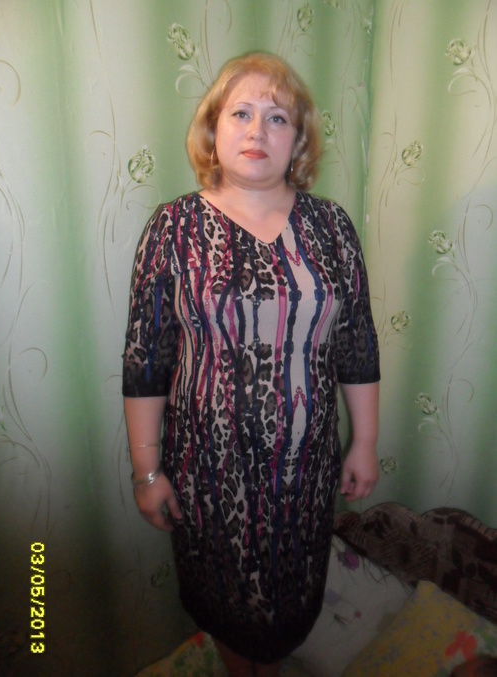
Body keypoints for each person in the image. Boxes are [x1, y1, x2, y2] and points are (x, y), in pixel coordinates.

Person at [122, 52, 380, 677]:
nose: (258, 130)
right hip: (208, 475)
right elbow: (146, 357)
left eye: (277, 118)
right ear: (213, 128)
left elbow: (357, 341)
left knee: (291, 605)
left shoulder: (332, 227)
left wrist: (365, 442)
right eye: (240, 113)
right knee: (230, 612)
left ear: (298, 140)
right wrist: (146, 470)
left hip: (306, 472)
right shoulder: (174, 228)